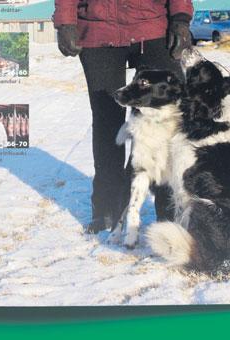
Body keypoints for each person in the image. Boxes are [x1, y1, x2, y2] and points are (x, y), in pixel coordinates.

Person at [53, 0, 194, 233]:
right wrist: (65, 22)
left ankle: (170, 212)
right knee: (107, 121)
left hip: (152, 27)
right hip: (98, 30)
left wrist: (180, 19)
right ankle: (108, 210)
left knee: (168, 123)